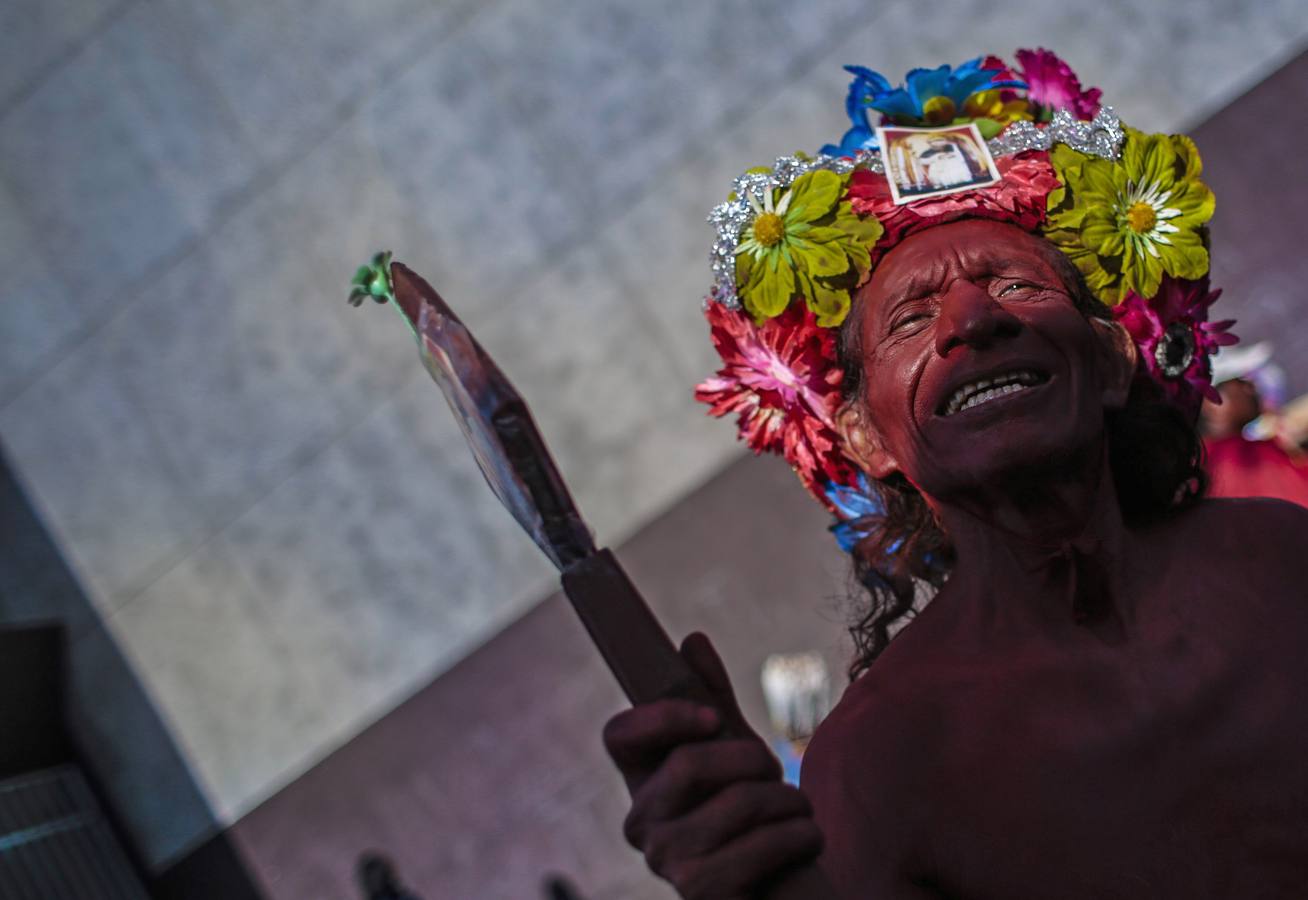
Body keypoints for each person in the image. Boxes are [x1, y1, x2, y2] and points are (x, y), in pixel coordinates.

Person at [603, 50, 1308, 899]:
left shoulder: (1286, 558)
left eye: (1015, 283)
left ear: (1115, 360)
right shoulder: (878, 758)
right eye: (910, 320)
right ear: (865, 438)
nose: (973, 320)